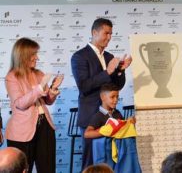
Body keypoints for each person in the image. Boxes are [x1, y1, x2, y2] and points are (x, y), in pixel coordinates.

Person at [71, 18, 132, 169]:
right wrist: (108, 71)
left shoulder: (109, 57)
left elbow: (116, 86)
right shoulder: (79, 56)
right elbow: (84, 86)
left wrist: (120, 71)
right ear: (94, 32)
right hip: (91, 118)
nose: (109, 37)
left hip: (110, 118)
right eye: (106, 33)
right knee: (90, 164)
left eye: (111, 34)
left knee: (112, 162)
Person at [5, 37, 63, 173]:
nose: (37, 58)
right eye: (33, 54)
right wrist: (39, 88)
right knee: (23, 169)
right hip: (22, 131)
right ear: (23, 55)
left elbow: (48, 101)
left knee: (48, 168)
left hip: (45, 126)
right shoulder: (12, 77)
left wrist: (53, 89)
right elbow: (20, 103)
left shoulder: (39, 74)